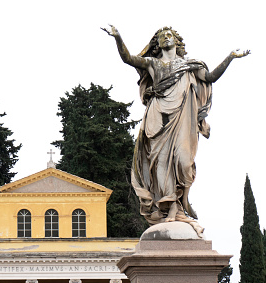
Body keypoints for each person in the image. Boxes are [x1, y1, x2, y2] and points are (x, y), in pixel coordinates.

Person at [102, 25, 249, 236]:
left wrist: (230, 57)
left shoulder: (189, 65)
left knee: (183, 161)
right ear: (158, 43)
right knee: (161, 165)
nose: (166, 37)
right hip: (158, 118)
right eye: (162, 36)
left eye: (169, 35)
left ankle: (182, 202)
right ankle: (171, 207)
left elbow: (210, 77)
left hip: (182, 118)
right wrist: (118, 37)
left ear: (176, 41)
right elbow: (128, 58)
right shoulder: (153, 63)